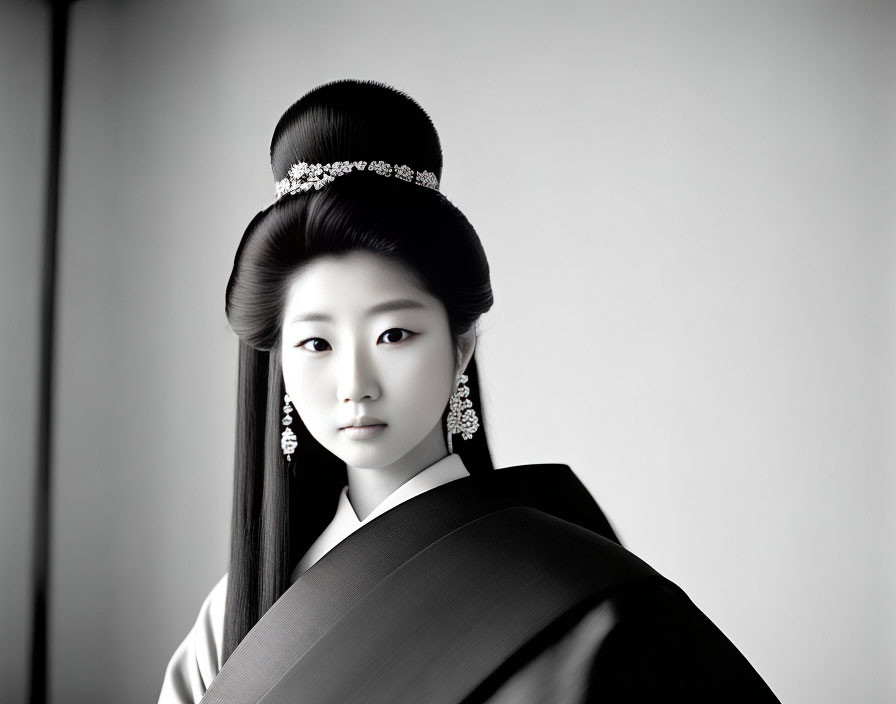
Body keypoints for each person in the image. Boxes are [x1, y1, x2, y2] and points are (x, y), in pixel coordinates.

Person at [158, 79, 779, 703]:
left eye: (394, 334)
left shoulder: (573, 595)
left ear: (462, 345)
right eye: (316, 344)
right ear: (279, 364)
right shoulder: (237, 613)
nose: (355, 386)